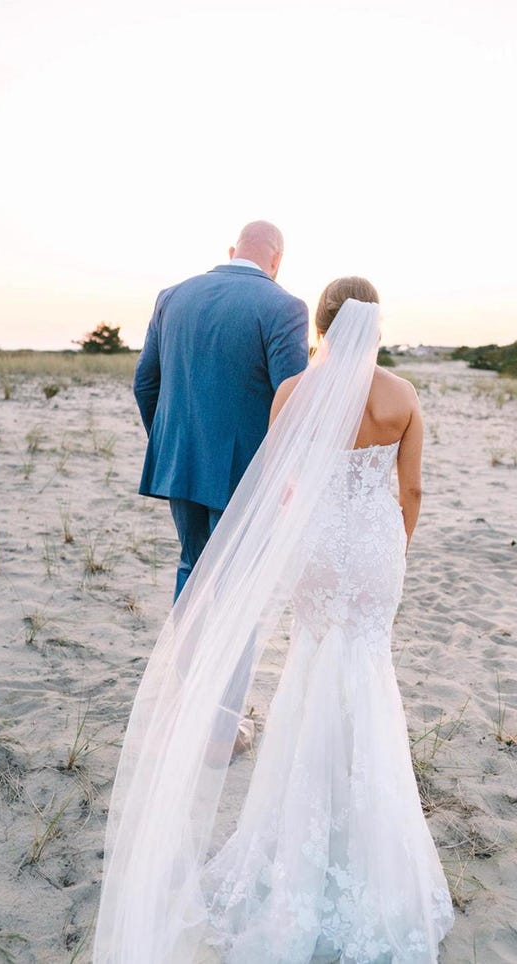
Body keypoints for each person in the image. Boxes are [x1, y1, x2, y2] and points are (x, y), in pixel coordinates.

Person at [94, 278, 454, 963]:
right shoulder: (404, 397)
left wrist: (307, 530)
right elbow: (412, 488)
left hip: (316, 546)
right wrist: (393, 543)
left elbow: (282, 482)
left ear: (320, 325)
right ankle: (363, 830)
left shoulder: (295, 393)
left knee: (311, 665)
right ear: (374, 325)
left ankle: (299, 823)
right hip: (375, 548)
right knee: (367, 671)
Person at [133, 220, 309, 600]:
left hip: (181, 462)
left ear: (233, 251)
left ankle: (184, 659)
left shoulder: (172, 296)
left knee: (191, 566)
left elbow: (145, 383)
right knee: (238, 580)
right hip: (246, 472)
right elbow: (294, 400)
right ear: (277, 259)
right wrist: (289, 469)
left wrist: (171, 445)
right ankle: (230, 663)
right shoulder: (285, 307)